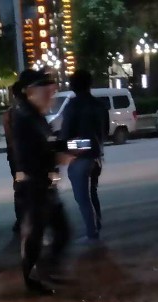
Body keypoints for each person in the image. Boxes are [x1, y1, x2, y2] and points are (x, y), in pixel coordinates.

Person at [11, 69, 72, 295]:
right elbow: (33, 154)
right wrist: (57, 157)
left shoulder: (36, 116)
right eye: (47, 93)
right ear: (30, 92)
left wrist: (79, 145)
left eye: (52, 92)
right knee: (35, 237)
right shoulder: (24, 118)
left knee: (62, 231)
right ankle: (33, 280)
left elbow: (53, 142)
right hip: (35, 187)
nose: (51, 97)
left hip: (46, 186)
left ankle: (48, 269)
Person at [60, 69, 108, 242]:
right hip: (97, 155)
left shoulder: (73, 105)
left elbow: (66, 134)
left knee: (82, 198)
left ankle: (92, 232)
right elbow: (105, 131)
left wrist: (64, 147)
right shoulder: (99, 105)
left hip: (81, 158)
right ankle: (97, 224)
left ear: (73, 86)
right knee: (92, 192)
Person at [3, 81, 24, 234]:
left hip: (16, 160)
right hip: (27, 159)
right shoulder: (31, 112)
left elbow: (9, 139)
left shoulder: (9, 114)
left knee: (20, 186)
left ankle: (21, 219)